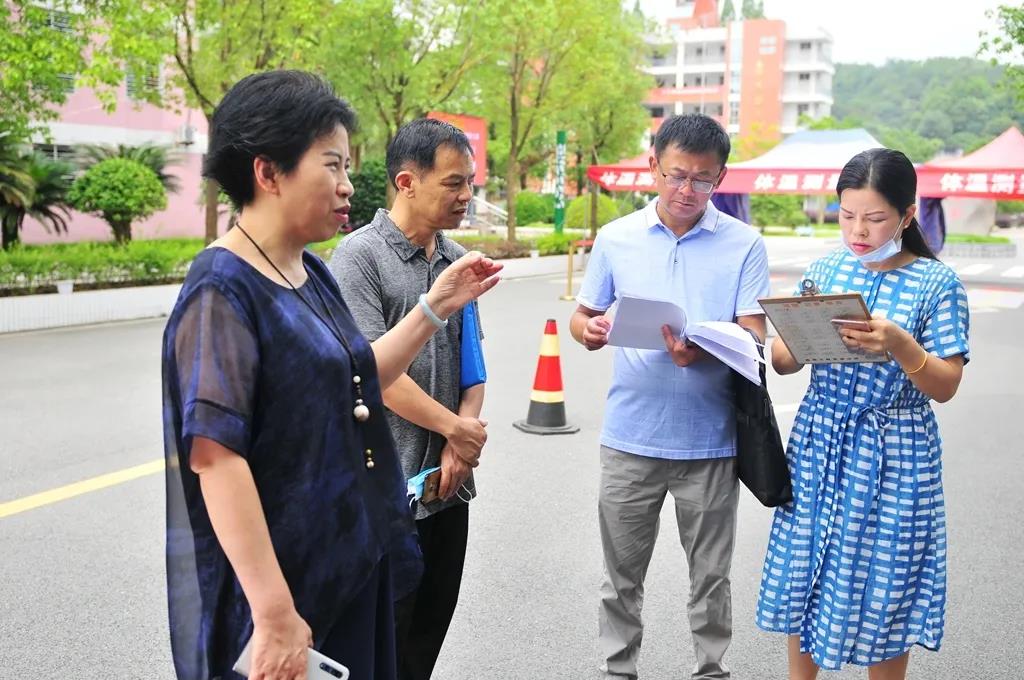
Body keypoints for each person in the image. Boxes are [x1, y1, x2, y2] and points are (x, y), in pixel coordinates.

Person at [161, 70, 501, 680]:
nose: (348, 184)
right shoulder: (222, 291)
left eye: (347, 165)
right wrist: (273, 613)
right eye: (333, 165)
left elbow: (359, 376)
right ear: (268, 173)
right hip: (282, 580)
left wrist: (435, 306)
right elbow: (216, 460)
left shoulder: (307, 271)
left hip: (344, 556)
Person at [569, 113, 771, 680]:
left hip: (710, 442)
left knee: (711, 577)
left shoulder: (744, 244)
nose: (687, 190)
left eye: (702, 179)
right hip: (630, 438)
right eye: (676, 175)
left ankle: (711, 669)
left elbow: (756, 337)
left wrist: (703, 351)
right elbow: (583, 316)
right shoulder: (617, 238)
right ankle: (618, 669)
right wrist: (588, 331)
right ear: (653, 166)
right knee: (620, 575)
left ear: (720, 177)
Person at [755, 148, 969, 680]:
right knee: (807, 565)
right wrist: (801, 334)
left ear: (907, 214)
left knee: (887, 579)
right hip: (820, 439)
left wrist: (899, 344)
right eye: (847, 214)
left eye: (874, 218)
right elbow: (782, 361)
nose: (857, 230)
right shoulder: (825, 269)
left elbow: (945, 385)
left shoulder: (937, 284)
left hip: (897, 448)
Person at [329, 118, 485, 680]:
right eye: (453, 183)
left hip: (446, 490)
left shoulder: (456, 257)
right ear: (406, 182)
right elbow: (373, 374)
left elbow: (474, 366)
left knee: (424, 641)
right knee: (380, 648)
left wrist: (460, 442)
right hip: (384, 495)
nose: (466, 196)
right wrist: (455, 430)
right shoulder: (359, 258)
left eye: (470, 183)